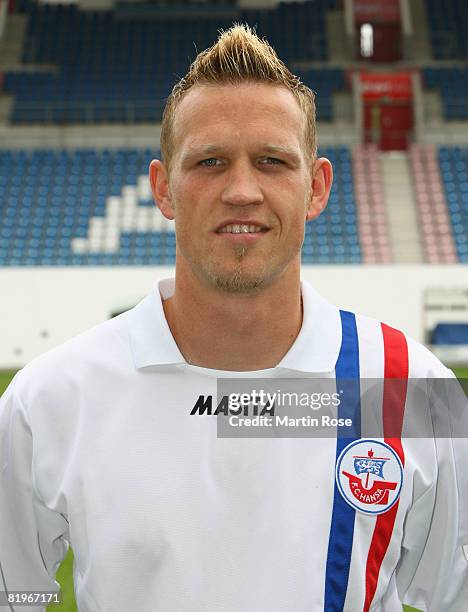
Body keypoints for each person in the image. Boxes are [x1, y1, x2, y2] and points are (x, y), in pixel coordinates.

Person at [0, 24, 467, 612]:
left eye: (272, 161)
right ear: (163, 189)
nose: (242, 190)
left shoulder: (413, 392)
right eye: (210, 162)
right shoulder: (49, 400)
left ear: (316, 188)